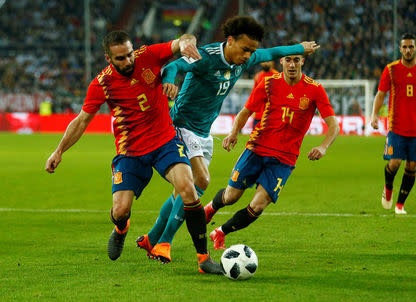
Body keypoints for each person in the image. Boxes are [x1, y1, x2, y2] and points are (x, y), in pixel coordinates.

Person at [136, 15, 320, 263]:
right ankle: (164, 243)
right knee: (201, 180)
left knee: (186, 191)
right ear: (230, 40)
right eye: (245, 49)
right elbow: (172, 67)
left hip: (203, 132)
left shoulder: (247, 58)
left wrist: (300, 48)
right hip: (182, 124)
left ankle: (151, 238)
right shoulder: (205, 56)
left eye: (251, 51)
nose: (248, 56)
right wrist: (169, 82)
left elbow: (274, 51)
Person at [45, 30, 223, 274]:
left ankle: (203, 259)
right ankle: (121, 227)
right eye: (120, 58)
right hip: (131, 152)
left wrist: (188, 44)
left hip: (165, 141)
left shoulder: (148, 55)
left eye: (129, 54)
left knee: (188, 189)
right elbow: (82, 120)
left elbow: (183, 38)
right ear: (108, 58)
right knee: (120, 210)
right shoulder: (101, 84)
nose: (128, 61)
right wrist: (59, 151)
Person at [203, 42, 340, 250]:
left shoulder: (315, 90)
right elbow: (246, 111)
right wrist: (233, 133)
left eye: (296, 60)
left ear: (302, 61)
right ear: (282, 61)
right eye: (288, 60)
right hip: (257, 150)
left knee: (257, 206)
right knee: (231, 196)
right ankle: (211, 208)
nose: (292, 64)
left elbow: (333, 125)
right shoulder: (269, 83)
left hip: (284, 160)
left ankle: (220, 232)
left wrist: (323, 147)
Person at [371, 33, 416, 215]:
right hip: (397, 127)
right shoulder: (391, 69)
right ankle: (388, 189)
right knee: (394, 163)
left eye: (411, 47)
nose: (408, 50)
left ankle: (400, 205)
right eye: (404, 47)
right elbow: (380, 94)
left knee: (411, 166)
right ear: (400, 48)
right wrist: (374, 116)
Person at [249, 61, 278, 127]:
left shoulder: (277, 76)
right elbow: (254, 94)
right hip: (258, 115)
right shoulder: (258, 76)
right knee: (255, 136)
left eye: (268, 61)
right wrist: (252, 110)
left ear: (272, 62)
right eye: (264, 61)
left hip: (271, 116)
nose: (265, 63)